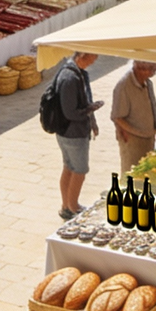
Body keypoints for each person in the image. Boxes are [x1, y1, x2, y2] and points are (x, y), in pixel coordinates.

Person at [55, 51, 102, 219]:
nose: (94, 61)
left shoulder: (79, 74)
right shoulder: (70, 78)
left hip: (70, 131)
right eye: (93, 57)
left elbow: (86, 101)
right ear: (82, 55)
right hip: (72, 133)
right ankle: (73, 208)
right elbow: (71, 112)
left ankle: (67, 206)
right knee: (79, 170)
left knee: (69, 167)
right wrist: (91, 110)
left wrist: (93, 120)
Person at [111, 60, 156, 175]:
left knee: (147, 174)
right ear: (141, 68)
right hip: (132, 141)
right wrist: (138, 132)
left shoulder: (148, 83)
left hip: (148, 137)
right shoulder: (124, 86)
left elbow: (151, 106)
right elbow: (118, 117)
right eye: (153, 69)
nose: (155, 72)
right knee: (132, 175)